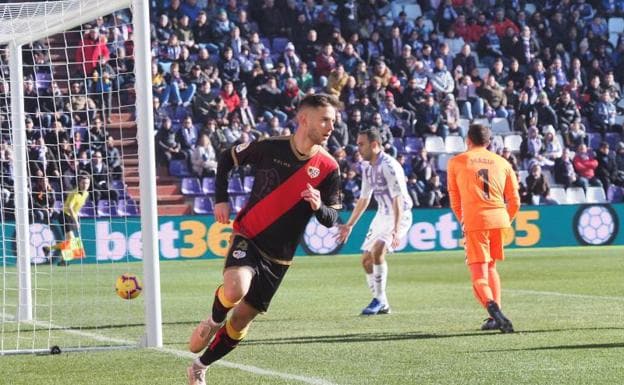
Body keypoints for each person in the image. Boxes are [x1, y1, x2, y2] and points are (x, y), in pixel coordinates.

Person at [186, 94, 342, 385]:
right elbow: (225, 158)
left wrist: (319, 205)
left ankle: (200, 366)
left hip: (280, 257)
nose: (331, 126)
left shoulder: (329, 167)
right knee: (234, 290)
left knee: (242, 320)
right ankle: (213, 320)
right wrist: (220, 200)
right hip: (250, 236)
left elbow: (331, 218)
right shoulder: (270, 147)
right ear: (304, 119)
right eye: (325, 119)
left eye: (333, 121)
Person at [447, 124, 520, 333]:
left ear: (467, 140)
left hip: (475, 220)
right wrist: (505, 220)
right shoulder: (503, 163)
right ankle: (494, 317)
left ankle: (492, 307)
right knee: (491, 267)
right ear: (489, 142)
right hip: (498, 218)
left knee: (478, 273)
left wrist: (465, 221)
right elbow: (515, 201)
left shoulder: (457, 162)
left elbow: (454, 200)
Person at [336, 129, 413, 315]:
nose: (358, 148)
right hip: (381, 215)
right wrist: (350, 225)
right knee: (365, 260)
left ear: (374, 145)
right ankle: (383, 302)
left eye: (361, 144)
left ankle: (378, 300)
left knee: (378, 250)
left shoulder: (389, 165)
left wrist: (395, 229)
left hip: (399, 215)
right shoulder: (368, 167)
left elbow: (397, 199)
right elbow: (364, 199)